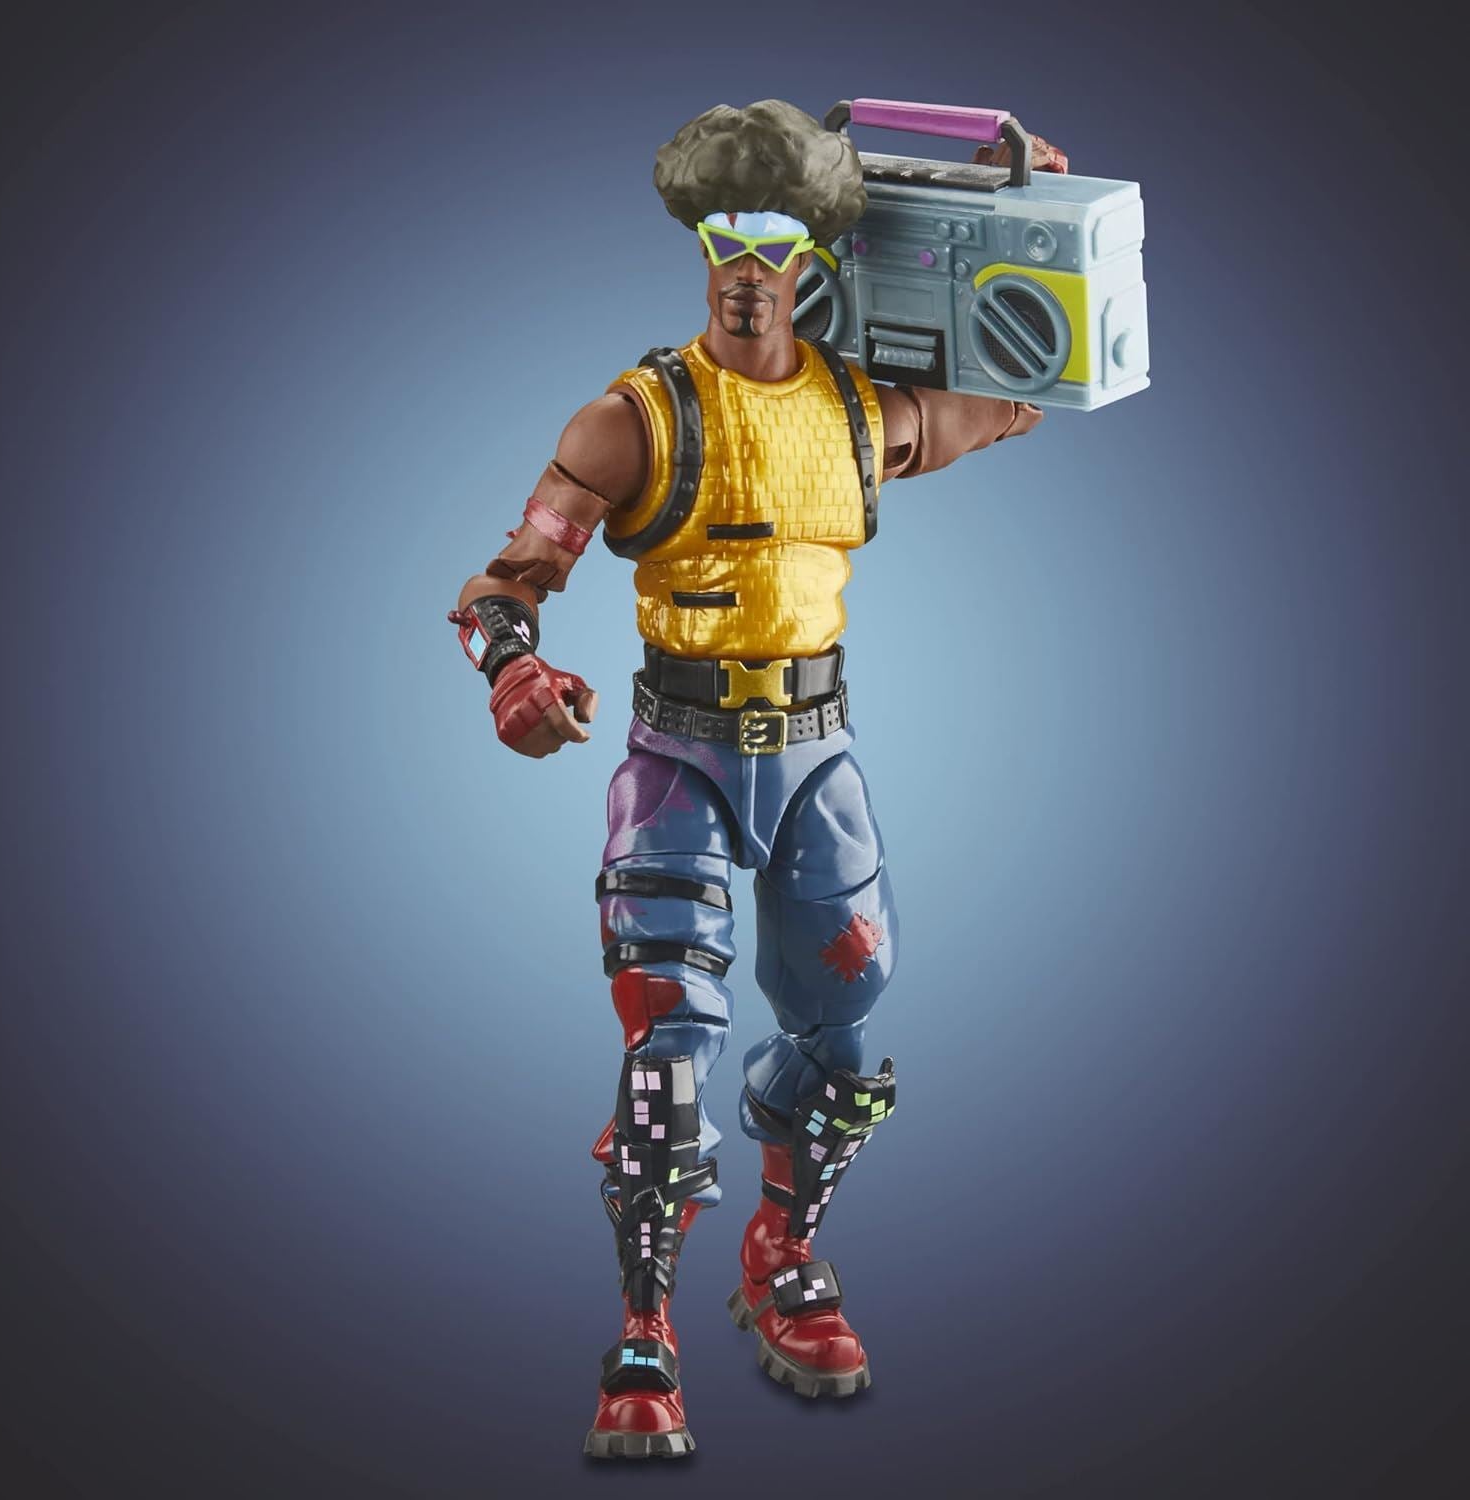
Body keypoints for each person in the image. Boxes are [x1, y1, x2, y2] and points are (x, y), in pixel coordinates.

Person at [450, 99, 1062, 1460]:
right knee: (667, 1049)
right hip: (679, 753)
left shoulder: (860, 417)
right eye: (728, 231)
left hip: (818, 754)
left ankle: (782, 1249)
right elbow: (505, 581)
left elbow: (1024, 390)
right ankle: (645, 1331)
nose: (748, 261)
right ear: (699, 237)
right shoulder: (636, 420)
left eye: (779, 236)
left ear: (814, 254)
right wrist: (513, 668)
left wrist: (1026, 225)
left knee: (844, 1024)